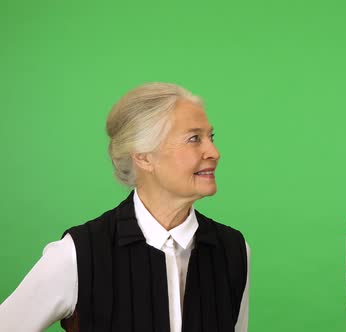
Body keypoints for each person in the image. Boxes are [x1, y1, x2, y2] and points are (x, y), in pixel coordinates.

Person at [0, 82, 250, 332]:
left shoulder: (234, 251)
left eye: (211, 137)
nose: (214, 152)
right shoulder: (77, 254)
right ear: (143, 156)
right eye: (194, 138)